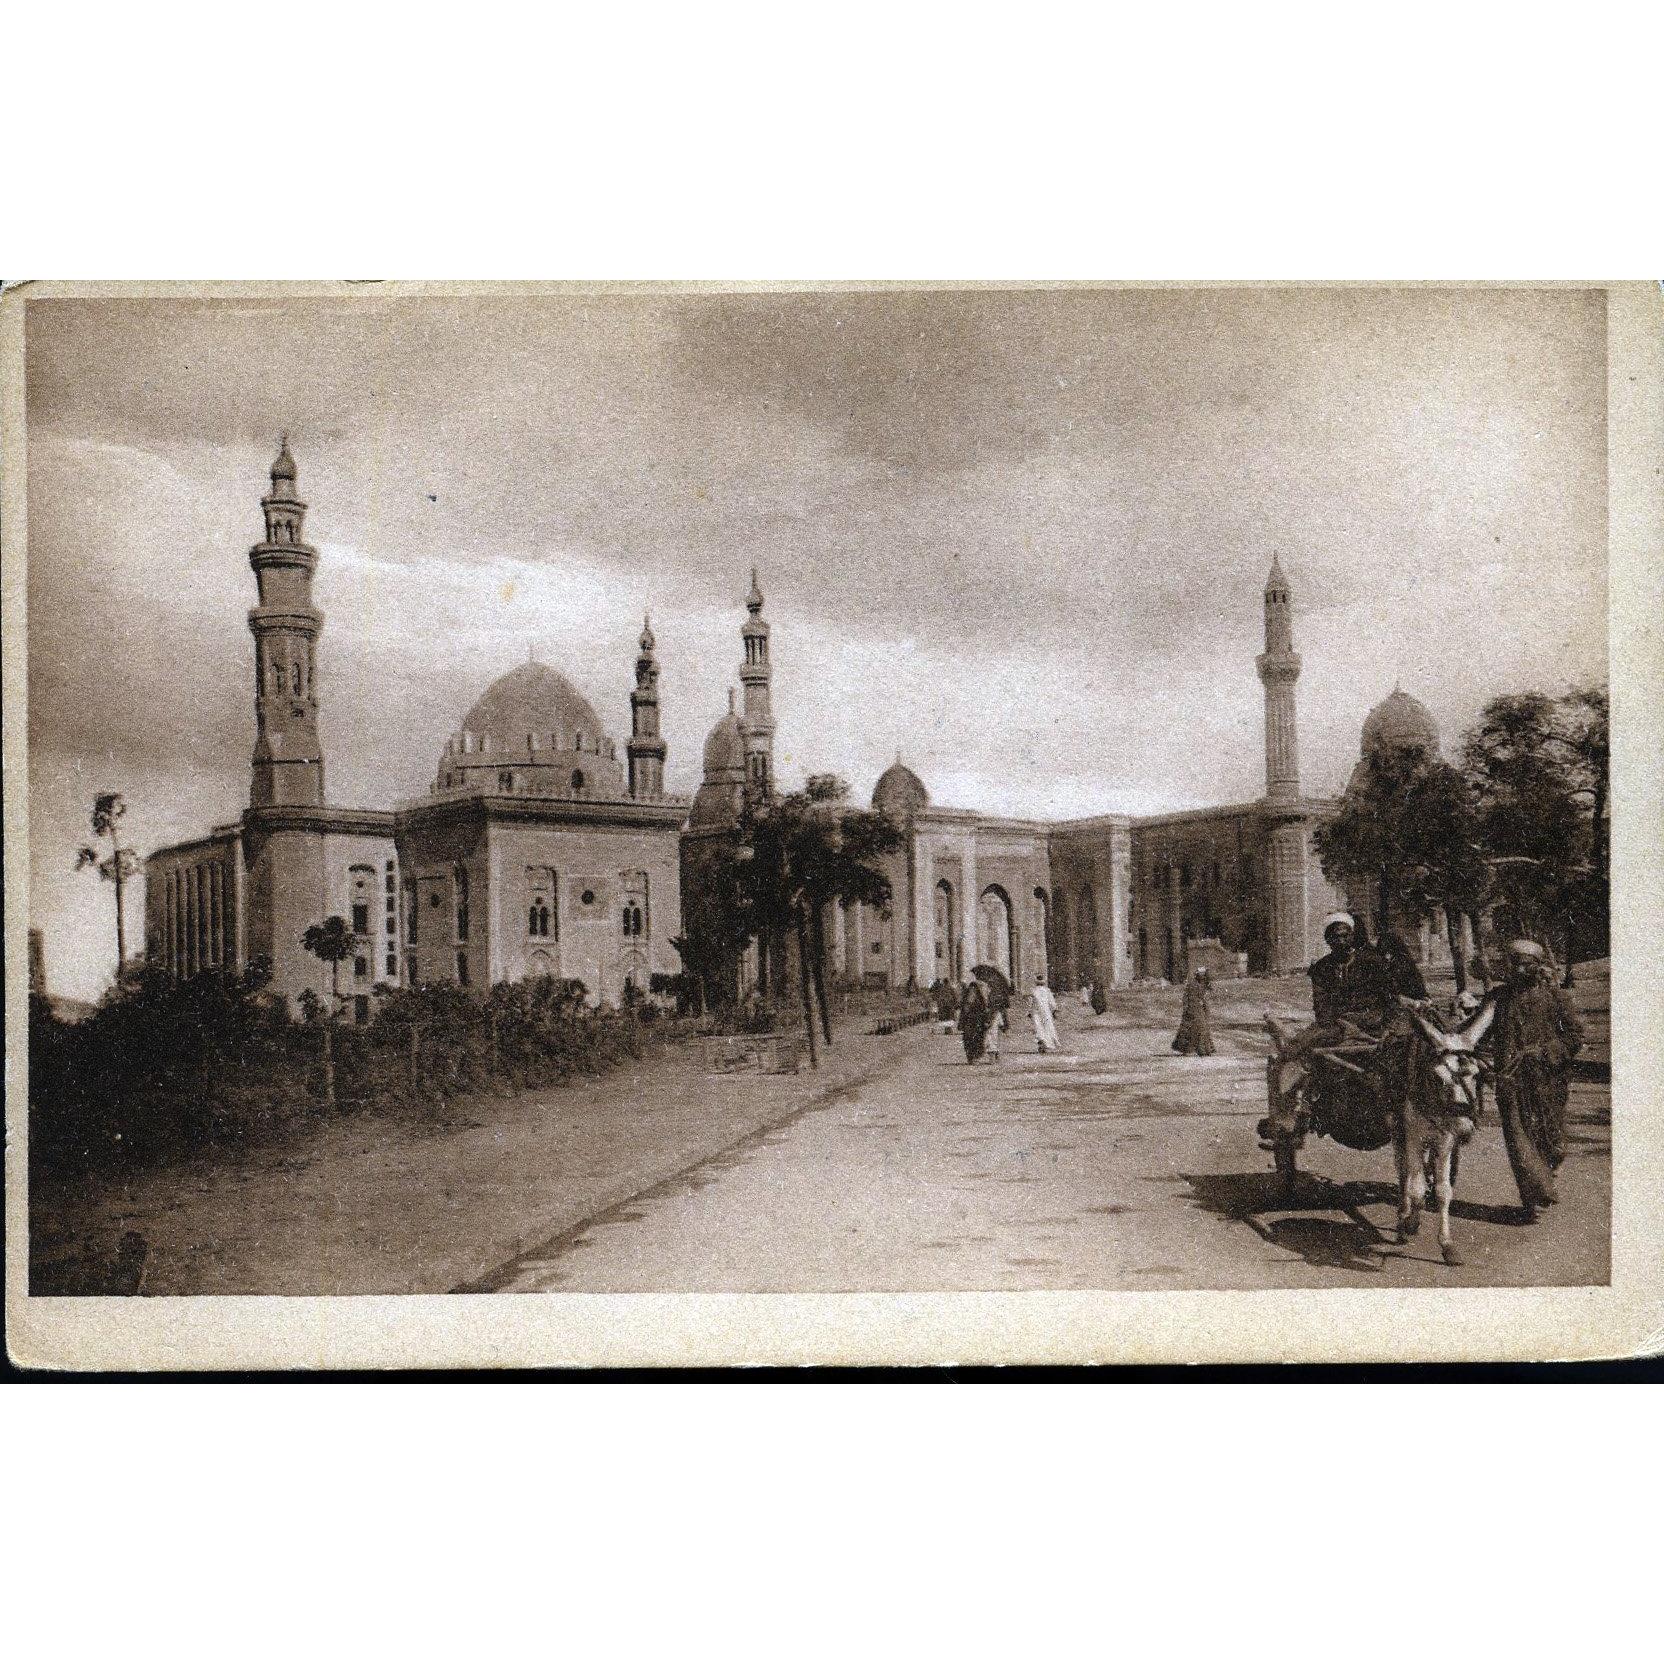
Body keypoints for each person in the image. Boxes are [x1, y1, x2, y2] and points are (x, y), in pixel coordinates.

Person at [1261, 912, 1393, 1138]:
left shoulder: (1372, 962)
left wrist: (1367, 1018)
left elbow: (1386, 997)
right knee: (1297, 1051)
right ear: (1327, 940)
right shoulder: (1322, 968)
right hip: (1335, 1025)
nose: (1341, 941)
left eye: (1345, 935)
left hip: (1372, 1022)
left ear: (1352, 936)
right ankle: (1295, 1110)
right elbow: (1320, 1004)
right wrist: (1338, 1022)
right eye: (1335, 937)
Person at [1483, 938, 1586, 1219]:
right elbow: (1480, 1034)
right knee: (1518, 1138)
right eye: (1514, 963)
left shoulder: (1556, 998)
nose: (1518, 970)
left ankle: (1545, 1176)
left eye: (1525, 964)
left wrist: (1544, 1051)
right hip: (1511, 1081)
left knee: (1551, 1140)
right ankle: (1533, 1194)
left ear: (1537, 967)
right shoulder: (1498, 999)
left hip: (1548, 1081)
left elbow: (1575, 1037)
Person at [1171, 966, 1215, 1056]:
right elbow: (1187, 998)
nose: (1203, 977)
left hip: (1200, 1008)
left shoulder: (1203, 984)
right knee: (1195, 1027)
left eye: (1204, 976)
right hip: (1193, 1008)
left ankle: (1205, 1049)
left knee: (1202, 1027)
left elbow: (1207, 994)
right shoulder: (1192, 984)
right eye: (1201, 975)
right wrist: (1188, 1008)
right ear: (1198, 975)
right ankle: (1198, 1049)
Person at [958, 976, 990, 1065]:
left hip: (974, 1020)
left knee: (974, 1039)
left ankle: (973, 1057)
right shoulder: (984, 989)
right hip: (975, 1020)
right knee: (974, 1038)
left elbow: (969, 1003)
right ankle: (974, 1057)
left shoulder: (976, 992)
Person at [1029, 973, 1060, 1053]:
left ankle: (1042, 1043)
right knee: (1047, 1027)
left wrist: (1029, 1012)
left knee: (1038, 1027)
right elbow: (1051, 1001)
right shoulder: (1047, 991)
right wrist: (1054, 1010)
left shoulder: (1033, 991)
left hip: (1036, 1011)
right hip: (1046, 1011)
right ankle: (1046, 1044)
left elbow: (1031, 1003)